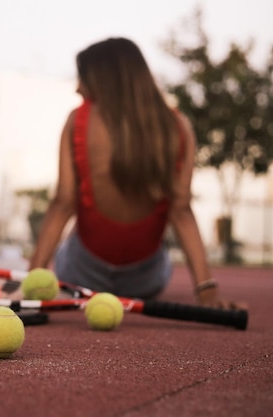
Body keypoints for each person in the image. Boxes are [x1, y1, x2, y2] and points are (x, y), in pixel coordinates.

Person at [29, 38, 245, 309]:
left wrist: (29, 283)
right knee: (161, 255)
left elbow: (63, 203)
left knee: (70, 248)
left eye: (82, 78)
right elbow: (181, 211)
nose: (76, 88)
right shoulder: (177, 126)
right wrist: (207, 292)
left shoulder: (78, 120)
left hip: (80, 275)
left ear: (102, 79)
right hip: (145, 281)